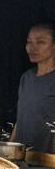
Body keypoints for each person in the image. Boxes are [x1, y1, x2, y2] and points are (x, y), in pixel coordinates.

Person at [11, 20, 55, 151]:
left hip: (47, 160)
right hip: (21, 158)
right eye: (29, 42)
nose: (32, 47)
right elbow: (21, 119)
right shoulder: (26, 78)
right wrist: (9, 149)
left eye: (40, 42)